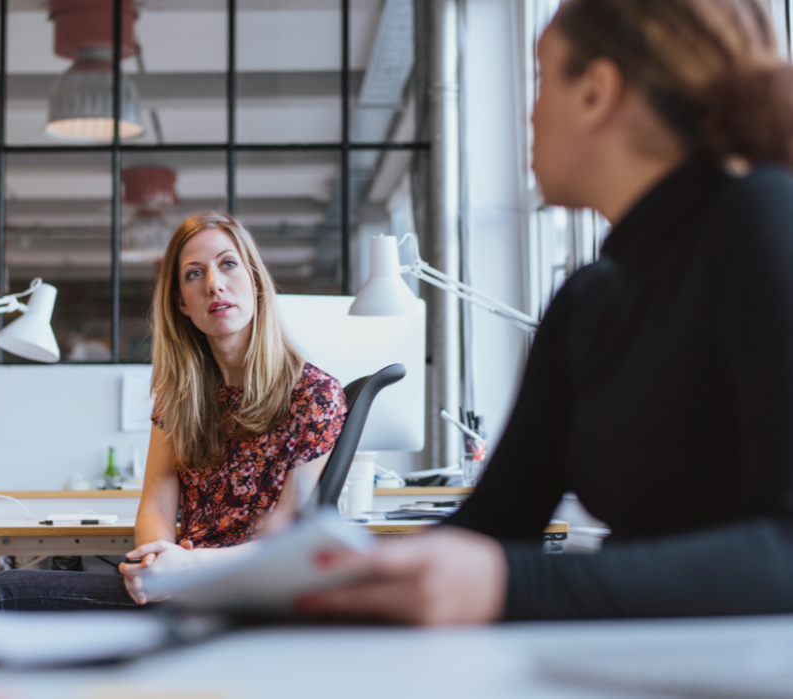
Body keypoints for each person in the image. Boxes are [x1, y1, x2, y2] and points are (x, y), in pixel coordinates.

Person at [298, 0, 793, 624]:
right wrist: (312, 576)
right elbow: (493, 527)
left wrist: (511, 586)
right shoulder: (587, 301)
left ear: (596, 91)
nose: (530, 114)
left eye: (542, 79)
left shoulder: (763, 218)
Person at [0, 212, 346, 611]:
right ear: (182, 304)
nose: (214, 284)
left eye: (228, 264)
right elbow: (154, 507)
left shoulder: (315, 393)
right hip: (183, 587)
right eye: (194, 274)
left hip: (254, 592)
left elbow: (289, 540)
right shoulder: (181, 395)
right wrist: (156, 561)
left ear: (255, 282)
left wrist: (191, 565)